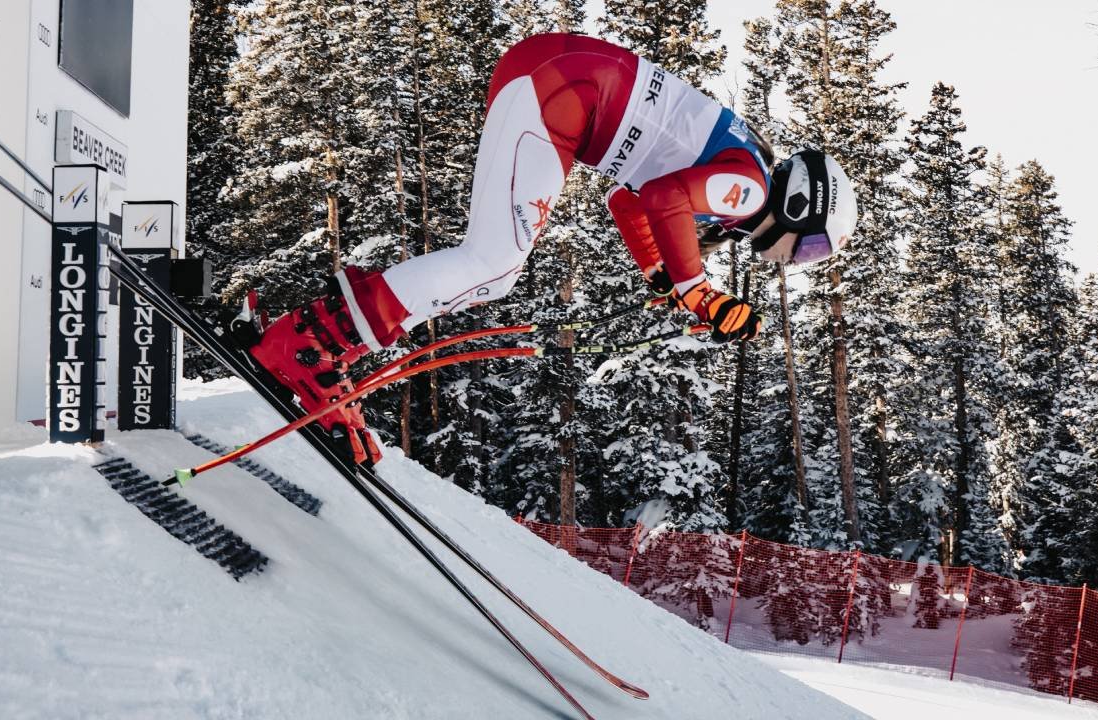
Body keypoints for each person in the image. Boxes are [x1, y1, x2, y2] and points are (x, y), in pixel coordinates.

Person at [241, 33, 858, 465]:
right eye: (807, 250)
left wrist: (660, 274)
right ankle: (308, 343)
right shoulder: (749, 189)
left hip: (558, 81)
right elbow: (667, 196)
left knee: (494, 266)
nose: (790, 258)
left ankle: (321, 337)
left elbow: (631, 201)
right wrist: (696, 288)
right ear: (801, 206)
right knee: (494, 262)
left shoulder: (742, 163)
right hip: (563, 92)